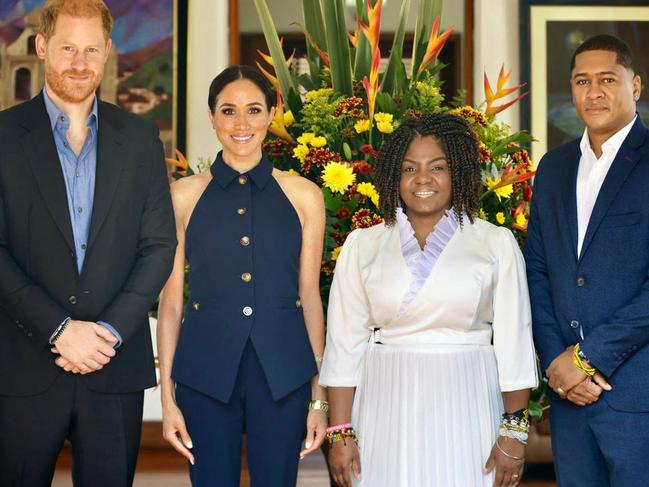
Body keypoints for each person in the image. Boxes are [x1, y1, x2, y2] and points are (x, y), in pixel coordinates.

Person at [0, 1, 177, 485]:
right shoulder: (3, 137)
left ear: (108, 52)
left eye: (91, 50)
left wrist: (107, 334)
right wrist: (60, 329)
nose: (79, 63)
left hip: (112, 366)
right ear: (41, 48)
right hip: (22, 366)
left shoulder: (141, 138)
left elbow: (159, 245)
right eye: (68, 49)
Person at [319, 113, 538, 487]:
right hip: (384, 403)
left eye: (438, 167)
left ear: (460, 173)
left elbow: (515, 344)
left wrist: (513, 432)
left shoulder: (494, 243)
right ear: (393, 176)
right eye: (409, 168)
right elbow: (344, 345)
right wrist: (341, 433)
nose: (423, 178)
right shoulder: (362, 245)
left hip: (468, 399)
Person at [156, 65, 328, 487]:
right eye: (228, 111)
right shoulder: (183, 196)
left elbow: (309, 296)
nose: (241, 123)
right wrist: (166, 398)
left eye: (253, 110)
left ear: (272, 113)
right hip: (204, 375)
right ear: (212, 117)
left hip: (283, 376)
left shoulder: (305, 195)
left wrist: (319, 397)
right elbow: (172, 301)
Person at [525, 34, 649, 487]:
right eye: (581, 81)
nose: (593, 91)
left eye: (606, 80)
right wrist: (557, 363)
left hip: (634, 395)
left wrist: (588, 358)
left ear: (634, 86)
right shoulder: (553, 168)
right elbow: (536, 268)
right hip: (568, 398)